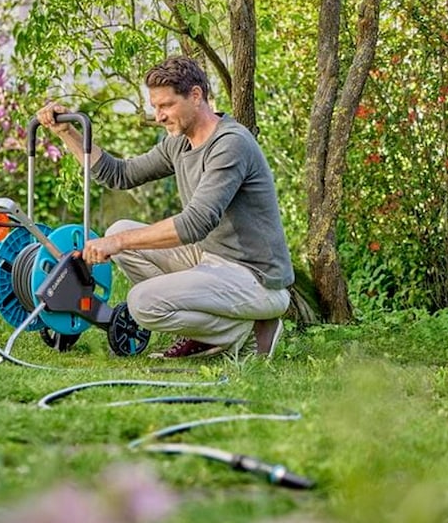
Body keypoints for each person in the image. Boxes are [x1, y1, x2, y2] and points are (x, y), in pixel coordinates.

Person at [35, 55, 294, 358]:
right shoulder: (180, 143)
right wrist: (67, 132)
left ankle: (245, 330)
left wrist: (115, 244)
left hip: (256, 279)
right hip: (211, 258)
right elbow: (119, 174)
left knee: (141, 302)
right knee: (120, 229)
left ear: (196, 96)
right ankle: (210, 331)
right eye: (155, 106)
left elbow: (195, 223)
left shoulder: (230, 144)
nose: (158, 116)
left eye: (166, 105)